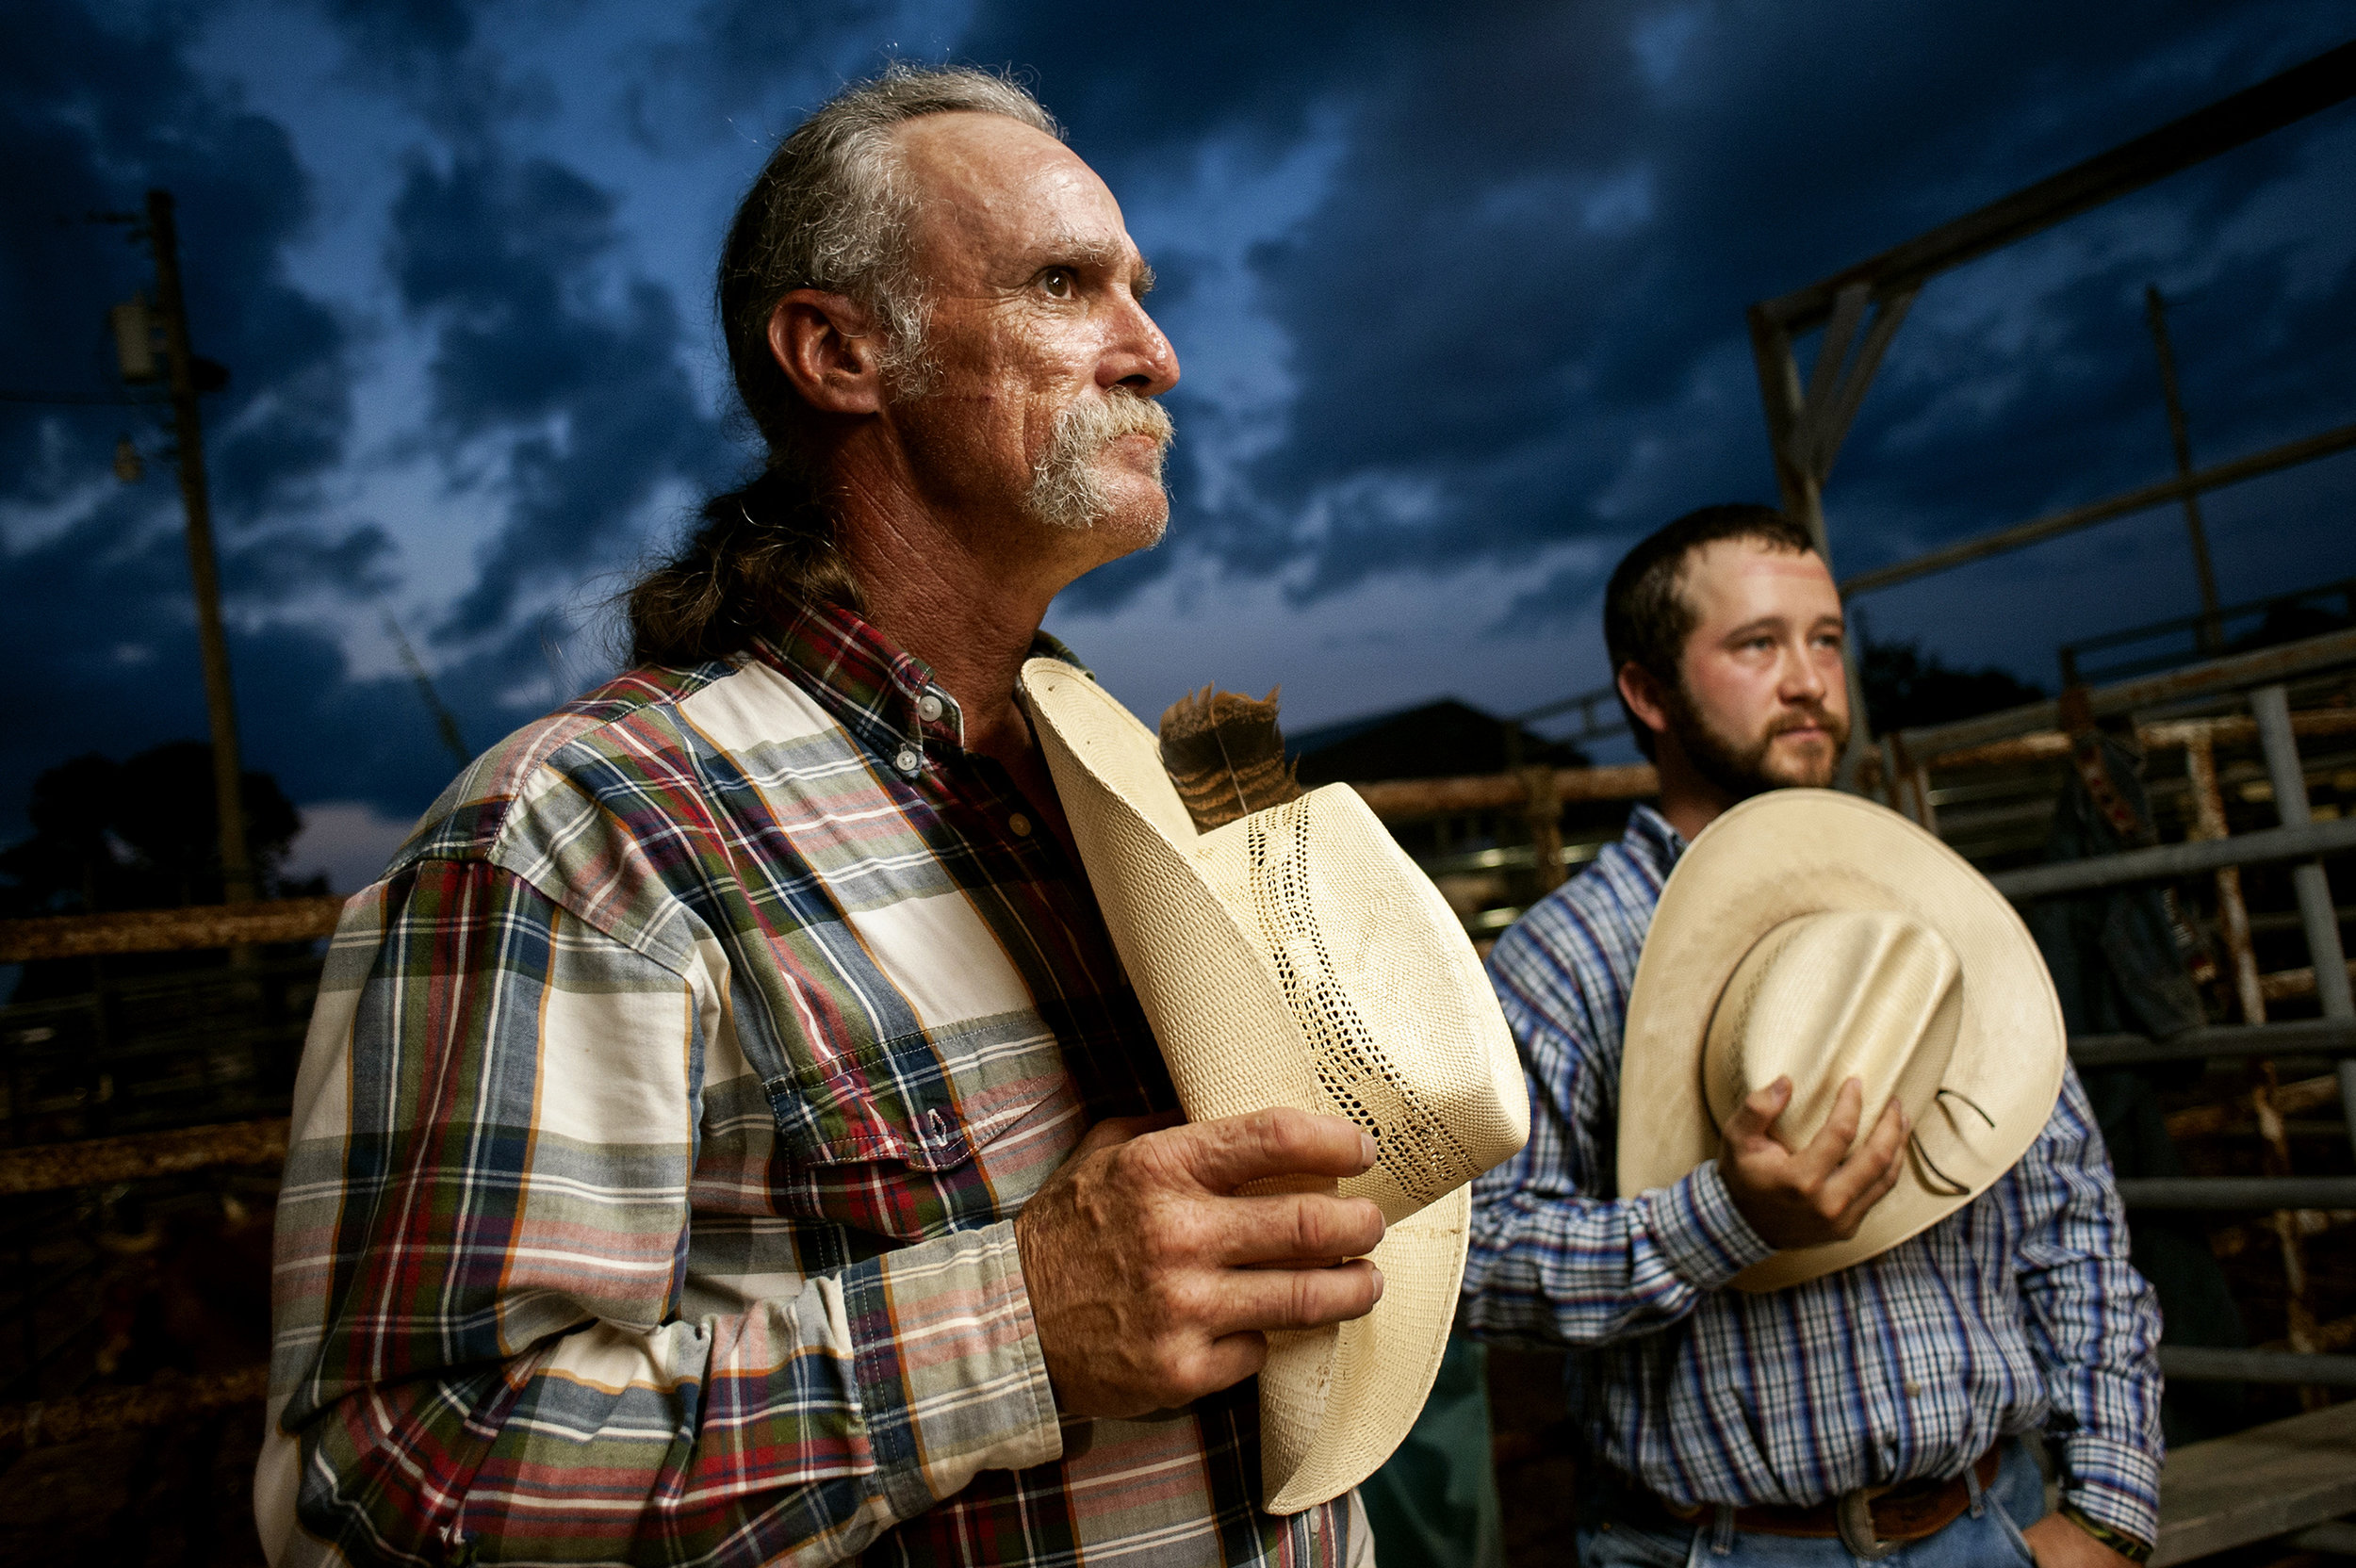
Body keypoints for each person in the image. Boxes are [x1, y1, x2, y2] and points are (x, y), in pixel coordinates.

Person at [258, 68, 1392, 1567]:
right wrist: (1023, 1323)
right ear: (841, 350)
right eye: (1067, 284)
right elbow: (391, 1488)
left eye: (1141, 290)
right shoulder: (588, 836)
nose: (1157, 355)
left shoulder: (1124, 790)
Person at [1460, 503, 2164, 1565]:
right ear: (1647, 692)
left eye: (1825, 639)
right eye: (1756, 643)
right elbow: (1478, 1266)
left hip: (1991, 1521)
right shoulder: (1563, 964)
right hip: (1727, 1548)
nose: (1808, 679)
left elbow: (2070, 1213)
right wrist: (1721, 1219)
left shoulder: (1935, 908)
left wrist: (2111, 1503)